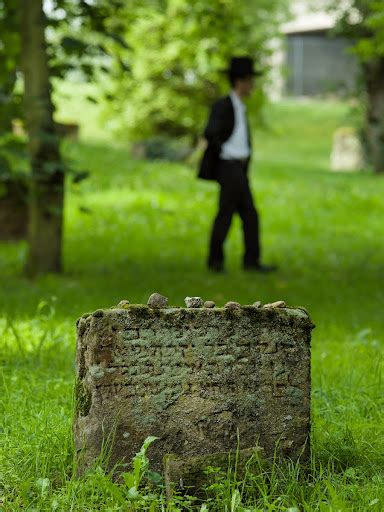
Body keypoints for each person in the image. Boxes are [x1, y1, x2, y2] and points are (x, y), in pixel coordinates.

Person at [199, 56, 277, 273]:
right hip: (229, 166)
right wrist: (225, 153)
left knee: (248, 215)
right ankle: (218, 261)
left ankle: (248, 261)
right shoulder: (223, 106)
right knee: (229, 213)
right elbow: (211, 133)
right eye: (250, 80)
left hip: (239, 167)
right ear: (240, 81)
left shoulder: (239, 107)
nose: (252, 85)